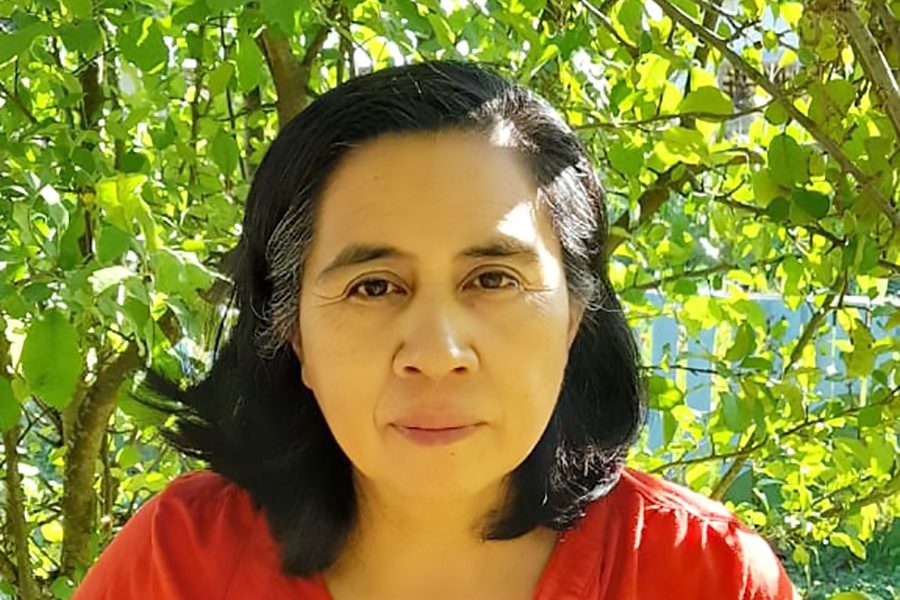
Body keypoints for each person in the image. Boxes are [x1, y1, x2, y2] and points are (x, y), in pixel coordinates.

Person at [73, 61, 797, 599]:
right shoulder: (176, 567)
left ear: (575, 314)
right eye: (373, 286)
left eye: (493, 279)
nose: (437, 353)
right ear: (291, 331)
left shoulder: (706, 576)